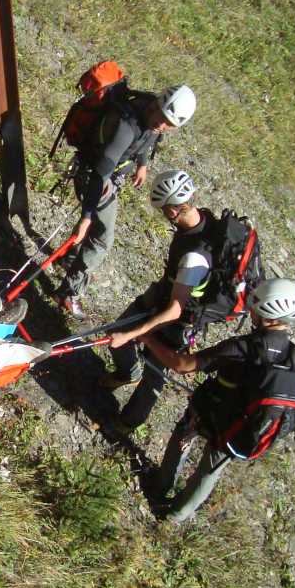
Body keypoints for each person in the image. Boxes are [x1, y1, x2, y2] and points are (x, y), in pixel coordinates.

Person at [139, 278, 295, 521]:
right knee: (211, 470)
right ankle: (177, 515)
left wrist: (147, 338)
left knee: (183, 437)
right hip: (243, 427)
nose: (250, 310)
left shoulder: (244, 347)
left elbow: (183, 365)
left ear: (267, 315)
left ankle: (160, 486)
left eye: (255, 307)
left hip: (210, 411)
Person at [56, 84, 196, 317]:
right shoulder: (127, 127)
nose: (161, 126)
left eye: (168, 124)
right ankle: (68, 293)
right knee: (102, 239)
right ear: (157, 105)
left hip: (105, 177)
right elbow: (100, 174)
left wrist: (142, 164)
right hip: (95, 179)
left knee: (95, 228)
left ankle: (69, 259)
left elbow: (147, 139)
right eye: (161, 119)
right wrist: (86, 217)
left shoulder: (148, 111)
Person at [102, 169, 217, 434]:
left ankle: (127, 423)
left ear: (173, 210)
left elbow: (175, 310)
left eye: (164, 210)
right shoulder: (202, 220)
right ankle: (127, 373)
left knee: (155, 373)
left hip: (179, 319)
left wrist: (134, 334)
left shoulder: (194, 258)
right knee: (118, 330)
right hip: (163, 294)